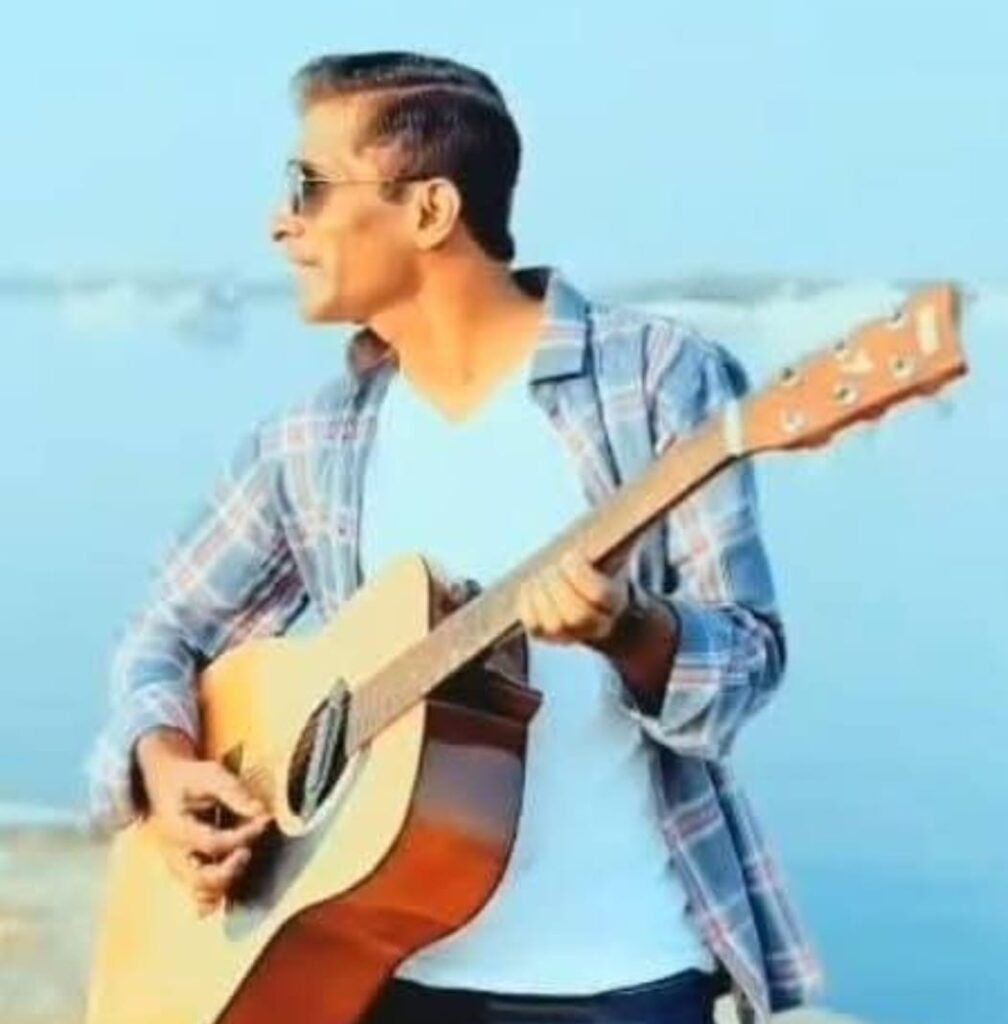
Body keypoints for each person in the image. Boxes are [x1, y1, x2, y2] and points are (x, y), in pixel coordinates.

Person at [87, 51, 823, 1024]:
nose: (280, 222)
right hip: (371, 970)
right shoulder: (311, 442)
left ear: (430, 210)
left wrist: (630, 628)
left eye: (307, 186)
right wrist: (167, 762)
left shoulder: (653, 382)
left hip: (620, 977)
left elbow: (747, 662)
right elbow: (164, 632)